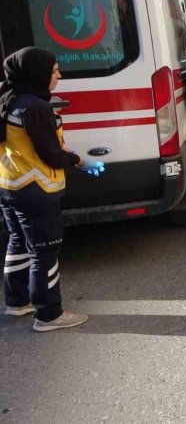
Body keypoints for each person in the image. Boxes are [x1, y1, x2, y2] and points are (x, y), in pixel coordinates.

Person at [1, 48, 104, 332]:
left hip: (11, 186)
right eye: (54, 69)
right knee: (44, 252)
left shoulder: (8, 100)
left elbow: (36, 143)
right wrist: (82, 161)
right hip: (37, 190)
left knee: (18, 243)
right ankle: (48, 314)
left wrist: (68, 152)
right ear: (37, 73)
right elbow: (52, 156)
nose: (58, 74)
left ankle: (17, 301)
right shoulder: (35, 108)